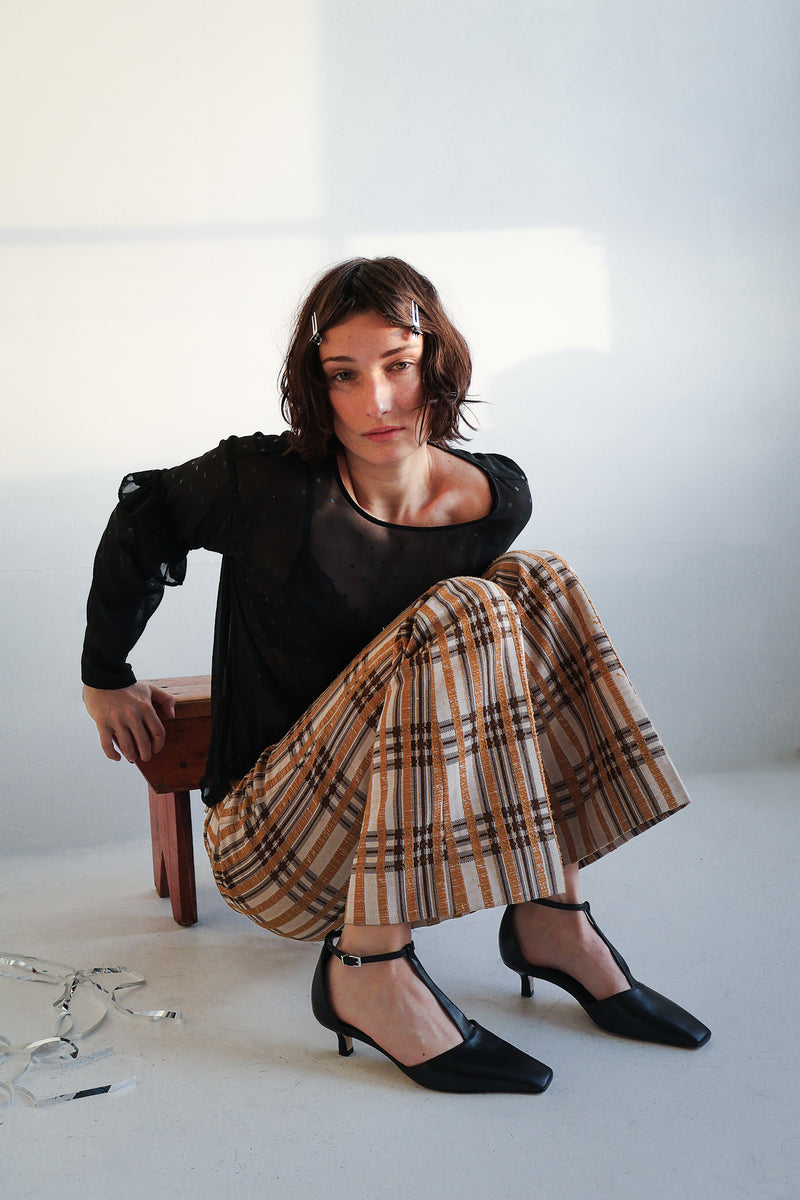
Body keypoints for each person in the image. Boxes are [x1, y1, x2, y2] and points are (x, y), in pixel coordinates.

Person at [82, 256, 710, 1095]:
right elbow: (143, 515)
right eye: (343, 374)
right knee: (466, 606)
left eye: (398, 365)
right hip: (275, 844)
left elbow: (486, 682)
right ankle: (367, 969)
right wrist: (104, 675)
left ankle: (553, 915)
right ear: (316, 386)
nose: (375, 402)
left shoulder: (496, 496)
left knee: (538, 580)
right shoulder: (263, 484)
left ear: (437, 364)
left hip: (403, 840)